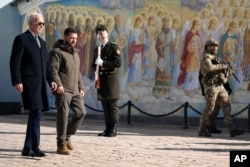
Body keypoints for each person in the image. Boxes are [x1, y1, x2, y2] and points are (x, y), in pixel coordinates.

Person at [9, 13, 57, 157]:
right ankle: (35, 147)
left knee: (35, 114)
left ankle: (27, 147)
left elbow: (46, 65)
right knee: (35, 113)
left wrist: (52, 80)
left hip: (40, 84)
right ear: (31, 24)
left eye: (43, 24)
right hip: (28, 83)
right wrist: (18, 81)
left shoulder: (42, 42)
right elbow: (14, 63)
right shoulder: (22, 39)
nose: (41, 26)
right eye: (39, 23)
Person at [49, 27, 86, 155]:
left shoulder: (75, 53)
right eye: (71, 38)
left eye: (75, 38)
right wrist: (58, 85)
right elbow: (53, 70)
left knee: (81, 112)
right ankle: (60, 145)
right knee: (63, 117)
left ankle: (67, 136)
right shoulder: (57, 52)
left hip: (75, 90)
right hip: (63, 89)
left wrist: (81, 87)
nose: (74, 40)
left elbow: (78, 72)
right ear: (65, 37)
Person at [198, 39, 245, 137]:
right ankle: (202, 130)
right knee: (209, 109)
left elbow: (222, 70)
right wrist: (222, 66)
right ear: (207, 47)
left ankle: (232, 129)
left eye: (215, 46)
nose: (214, 48)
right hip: (211, 87)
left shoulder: (217, 57)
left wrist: (227, 70)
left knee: (227, 106)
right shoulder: (206, 57)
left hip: (220, 86)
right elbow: (210, 68)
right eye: (212, 46)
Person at [92, 24, 121, 137]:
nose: (102, 33)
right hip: (101, 80)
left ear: (107, 33)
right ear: (97, 35)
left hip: (111, 80)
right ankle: (107, 128)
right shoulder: (97, 49)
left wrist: (103, 63)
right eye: (99, 32)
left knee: (113, 105)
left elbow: (118, 63)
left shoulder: (113, 47)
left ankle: (113, 128)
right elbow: (93, 65)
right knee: (105, 105)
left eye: (103, 31)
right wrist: (95, 68)